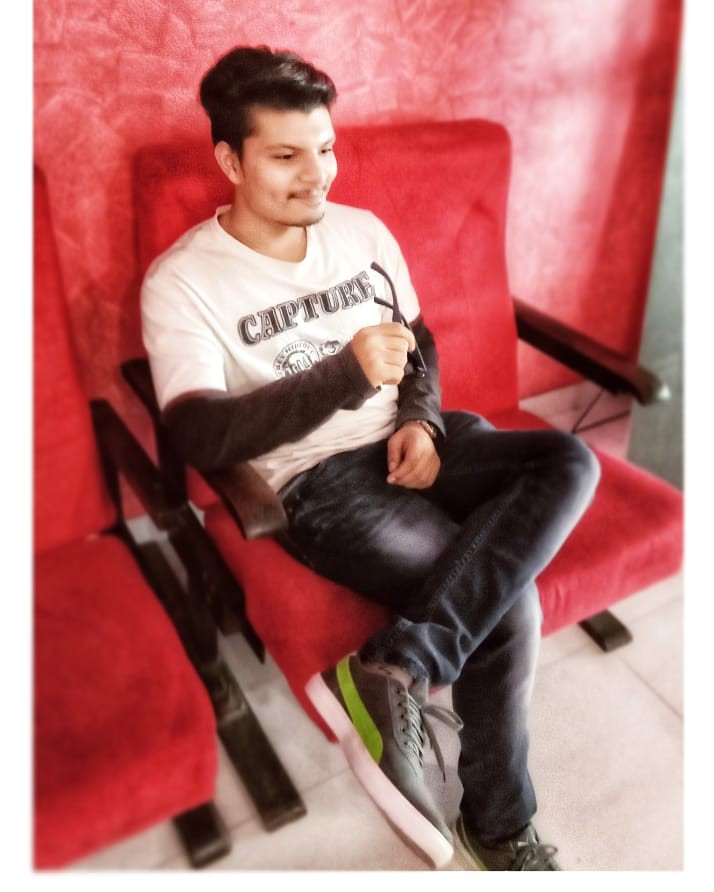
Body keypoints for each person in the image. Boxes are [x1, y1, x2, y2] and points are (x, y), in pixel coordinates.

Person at [141, 45, 600, 871]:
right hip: (317, 484)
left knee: (569, 460)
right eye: (286, 155)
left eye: (325, 148)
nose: (316, 174)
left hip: (416, 441)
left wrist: (421, 421)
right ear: (230, 160)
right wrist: (343, 376)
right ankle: (500, 827)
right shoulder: (183, 282)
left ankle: (401, 662)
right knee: (507, 605)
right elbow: (198, 435)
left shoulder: (361, 232)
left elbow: (416, 341)